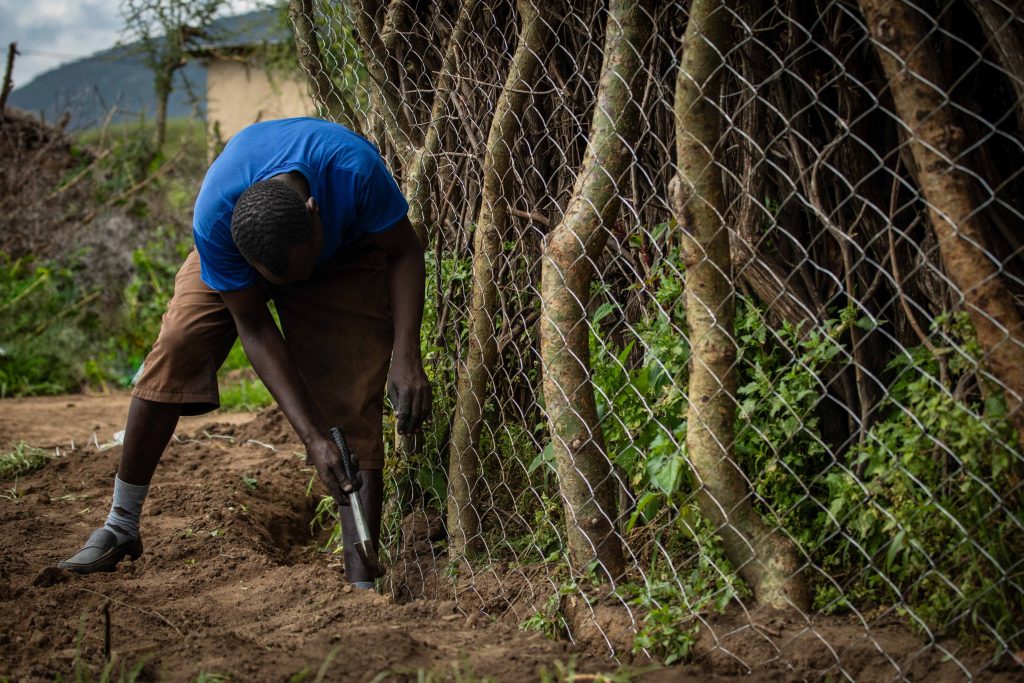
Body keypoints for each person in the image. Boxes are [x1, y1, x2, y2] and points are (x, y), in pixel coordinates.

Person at [57, 117, 431, 588]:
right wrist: (312, 438)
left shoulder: (352, 170)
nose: (293, 294)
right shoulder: (217, 221)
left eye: (294, 278)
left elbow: (405, 251)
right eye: (279, 284)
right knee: (179, 344)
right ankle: (121, 524)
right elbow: (253, 325)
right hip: (250, 256)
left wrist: (406, 354)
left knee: (351, 391)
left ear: (314, 211)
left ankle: (361, 578)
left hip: (340, 256)